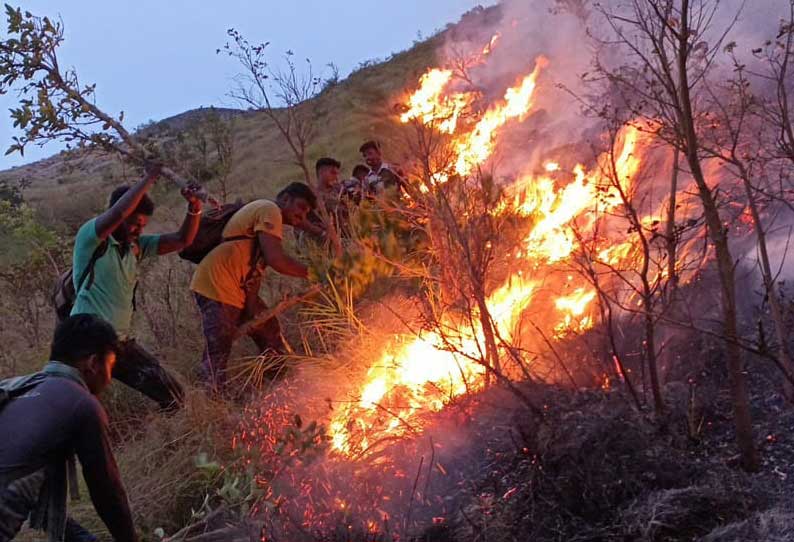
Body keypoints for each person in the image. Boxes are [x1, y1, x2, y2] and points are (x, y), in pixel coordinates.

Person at [70, 161, 203, 410]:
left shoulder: (136, 247)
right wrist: (149, 178)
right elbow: (119, 214)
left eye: (142, 225)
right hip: (85, 341)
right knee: (82, 412)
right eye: (134, 223)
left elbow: (182, 240)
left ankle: (169, 437)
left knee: (173, 395)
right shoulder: (91, 237)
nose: (137, 229)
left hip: (118, 342)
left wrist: (194, 208)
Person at [0, 314, 138, 542]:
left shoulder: (17, 389)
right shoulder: (81, 404)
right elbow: (107, 492)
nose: (110, 378)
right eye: (110, 365)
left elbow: (39, 502)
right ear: (93, 363)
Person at [190, 182, 317, 393]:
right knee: (218, 352)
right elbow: (276, 260)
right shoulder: (269, 209)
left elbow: (255, 272)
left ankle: (281, 388)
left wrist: (251, 311)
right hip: (217, 285)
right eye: (301, 207)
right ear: (285, 198)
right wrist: (316, 272)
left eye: (306, 212)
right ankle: (212, 407)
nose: (302, 215)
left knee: (269, 330)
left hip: (234, 289)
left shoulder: (268, 219)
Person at [303, 157, 343, 240]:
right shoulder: (310, 195)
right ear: (321, 172)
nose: (336, 177)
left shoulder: (339, 193)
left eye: (337, 174)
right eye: (333, 173)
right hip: (319, 240)